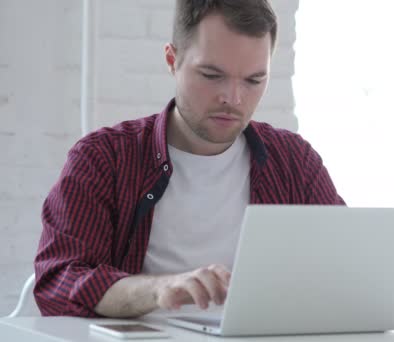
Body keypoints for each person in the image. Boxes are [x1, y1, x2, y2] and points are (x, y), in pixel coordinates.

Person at [34, 0, 344, 318]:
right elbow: (59, 282)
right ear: (173, 60)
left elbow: (348, 268)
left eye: (253, 80)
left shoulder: (295, 162)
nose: (233, 98)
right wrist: (158, 289)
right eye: (212, 75)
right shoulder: (103, 159)